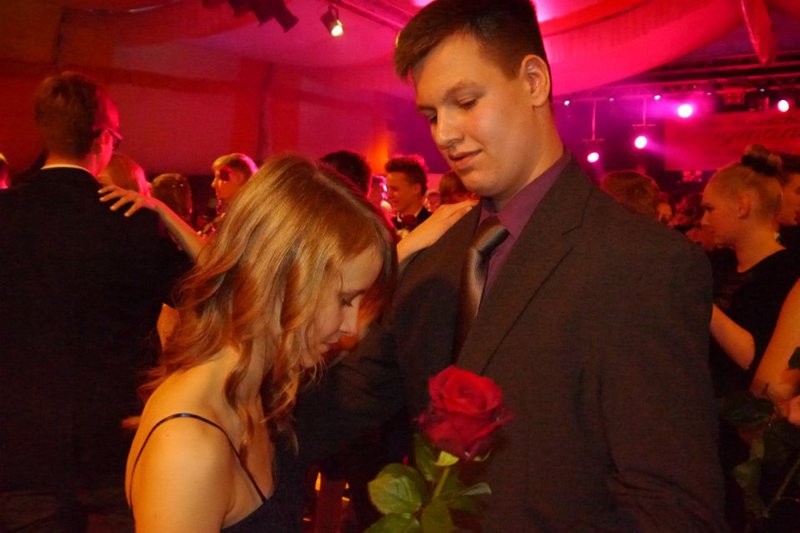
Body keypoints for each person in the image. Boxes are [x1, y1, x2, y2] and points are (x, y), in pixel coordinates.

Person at [293, 0, 725, 530]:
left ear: (534, 81)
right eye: (431, 115)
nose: (444, 134)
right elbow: (342, 400)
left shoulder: (641, 263)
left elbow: (672, 506)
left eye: (465, 102)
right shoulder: (435, 256)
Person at [125, 155, 397, 532]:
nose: (349, 327)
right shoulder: (189, 447)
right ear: (281, 282)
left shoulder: (254, 393)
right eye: (344, 300)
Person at [0, 71, 188, 532]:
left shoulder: (6, 216)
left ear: (44, 129)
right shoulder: (131, 221)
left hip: (20, 441)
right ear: (103, 138)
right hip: (114, 436)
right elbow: (214, 286)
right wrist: (164, 212)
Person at [201, 152, 258, 237]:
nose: (213, 184)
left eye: (220, 177)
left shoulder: (249, 219)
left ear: (239, 178)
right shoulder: (226, 217)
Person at [385, 154, 431, 233]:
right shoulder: (387, 227)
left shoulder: (434, 223)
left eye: (395, 189)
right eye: (388, 189)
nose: (389, 195)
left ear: (416, 189)